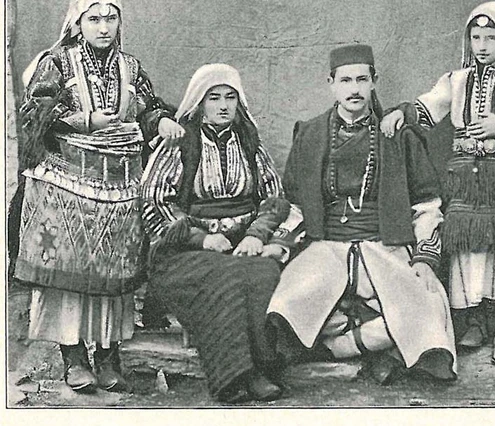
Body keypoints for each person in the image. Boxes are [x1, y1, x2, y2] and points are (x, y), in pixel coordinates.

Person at [12, 0, 184, 393]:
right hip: (67, 185)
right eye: (94, 19)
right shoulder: (57, 62)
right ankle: (72, 357)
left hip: (120, 186)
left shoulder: (131, 67)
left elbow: (147, 108)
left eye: (111, 18)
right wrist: (86, 121)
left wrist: (164, 120)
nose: (103, 27)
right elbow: (35, 110)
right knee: (68, 281)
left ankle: (108, 356)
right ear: (78, 23)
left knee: (113, 277)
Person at [380, 2, 495, 367]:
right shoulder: (457, 80)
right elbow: (429, 107)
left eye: (491, 37)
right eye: (476, 37)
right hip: (466, 179)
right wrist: (401, 112)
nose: (482, 45)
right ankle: (475, 319)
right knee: (467, 247)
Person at [266, 44, 457, 385]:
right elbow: (294, 203)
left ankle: (338, 347)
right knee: (284, 308)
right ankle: (371, 348)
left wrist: (425, 258)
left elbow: (426, 205)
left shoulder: (398, 136)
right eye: (345, 80)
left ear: (374, 82)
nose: (354, 89)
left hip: (384, 244)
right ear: (331, 84)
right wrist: (281, 243)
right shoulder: (309, 133)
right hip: (327, 246)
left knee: (428, 308)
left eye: (362, 79)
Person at [140, 64, 290, 403]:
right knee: (225, 278)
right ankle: (235, 374)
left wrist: (256, 235)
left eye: (230, 97)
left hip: (240, 244)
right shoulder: (181, 140)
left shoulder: (249, 139)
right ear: (199, 102)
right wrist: (201, 238)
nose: (223, 106)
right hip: (184, 251)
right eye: (214, 98)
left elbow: (273, 194)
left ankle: (263, 367)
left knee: (264, 271)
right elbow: (153, 200)